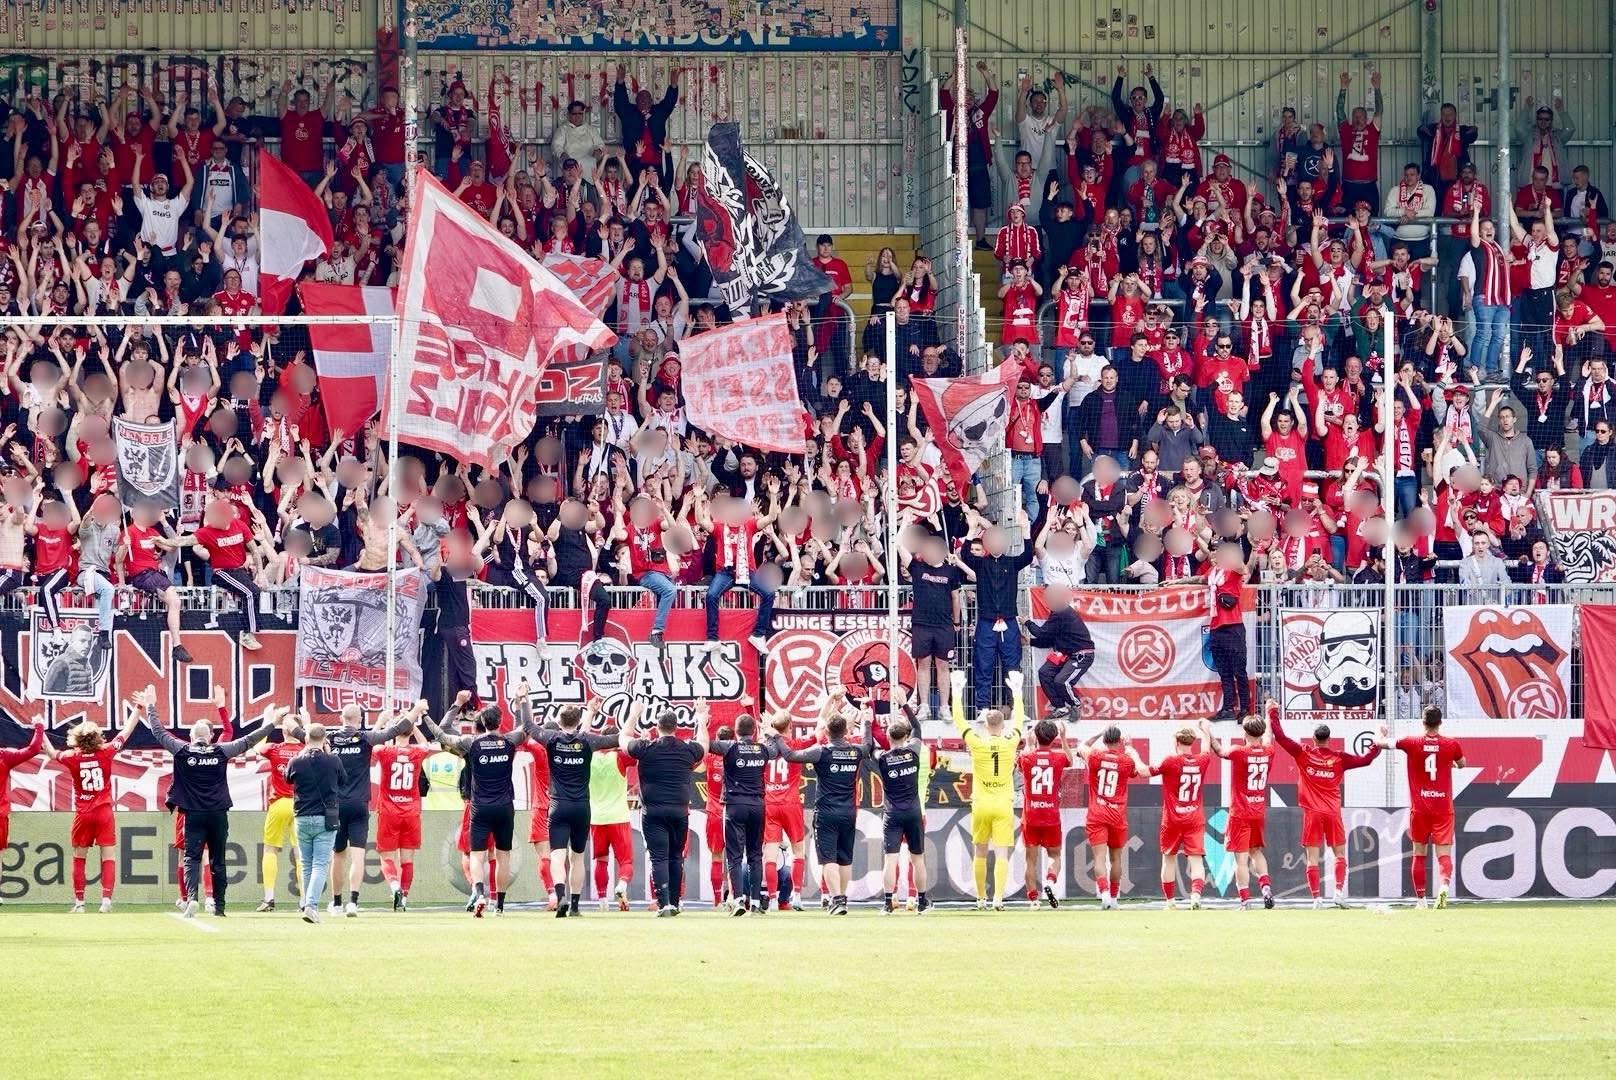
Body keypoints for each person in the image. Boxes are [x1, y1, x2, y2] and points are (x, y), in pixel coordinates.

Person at [137, 685, 271, 917]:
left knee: (190, 856)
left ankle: (191, 898)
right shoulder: (220, 751)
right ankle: (217, 905)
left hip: (191, 812)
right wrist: (268, 722)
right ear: (209, 737)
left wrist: (151, 705)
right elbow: (244, 739)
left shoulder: (182, 750)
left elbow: (158, 731)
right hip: (217, 812)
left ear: (191, 737)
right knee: (216, 858)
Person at [420, 684, 533, 918]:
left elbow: (441, 733)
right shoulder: (508, 741)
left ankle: (479, 893)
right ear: (499, 722)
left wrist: (431, 714)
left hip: (479, 808)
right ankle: (499, 905)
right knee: (503, 856)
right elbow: (526, 727)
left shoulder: (471, 743)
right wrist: (522, 701)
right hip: (505, 807)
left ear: (480, 723)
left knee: (476, 854)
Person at [1270, 710, 1382, 907]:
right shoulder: (1339, 758)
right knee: (1339, 854)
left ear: (1313, 738)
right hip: (1332, 813)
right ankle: (1338, 893)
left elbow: (1280, 737)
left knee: (1312, 859)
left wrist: (1272, 711)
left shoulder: (1303, 752)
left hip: (1312, 813)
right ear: (1329, 739)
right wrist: (1378, 740)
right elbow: (1366, 759)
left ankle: (1317, 899)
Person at [526, 696, 623, 917]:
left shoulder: (552, 739)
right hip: (581, 808)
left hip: (558, 807)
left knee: (557, 855)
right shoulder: (587, 741)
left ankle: (561, 896)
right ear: (578, 722)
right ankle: (576, 905)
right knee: (577, 857)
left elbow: (529, 726)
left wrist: (523, 700)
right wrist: (632, 718)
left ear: (559, 722)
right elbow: (618, 738)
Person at [42, 707, 141, 912]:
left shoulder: (71, 756)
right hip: (104, 812)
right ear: (97, 738)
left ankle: (80, 903)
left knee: (79, 858)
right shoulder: (107, 751)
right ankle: (106, 901)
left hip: (83, 813)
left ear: (76, 738)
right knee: (108, 857)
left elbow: (51, 753)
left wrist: (39, 729)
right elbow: (126, 731)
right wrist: (138, 709)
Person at [772, 702, 868, 915]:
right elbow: (868, 745)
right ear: (846, 730)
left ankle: (837, 899)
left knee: (828, 859)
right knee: (845, 858)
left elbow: (790, 756)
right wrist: (867, 721)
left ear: (827, 732)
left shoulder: (821, 751)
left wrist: (777, 737)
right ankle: (842, 900)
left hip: (826, 813)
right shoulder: (855, 751)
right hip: (849, 812)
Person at [322, 703, 417, 917]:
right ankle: (353, 903)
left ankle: (336, 904)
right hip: (359, 804)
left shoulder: (330, 739)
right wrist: (416, 710)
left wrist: (304, 720)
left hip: (335, 805)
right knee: (358, 855)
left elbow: (306, 735)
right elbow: (396, 729)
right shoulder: (365, 739)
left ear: (341, 718)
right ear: (360, 720)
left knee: (338, 855)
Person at [622, 704, 709, 917]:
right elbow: (705, 745)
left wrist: (634, 714)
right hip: (680, 812)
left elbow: (623, 738)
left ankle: (665, 904)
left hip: (653, 813)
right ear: (676, 727)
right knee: (676, 857)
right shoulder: (687, 749)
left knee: (659, 858)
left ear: (657, 726)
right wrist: (700, 718)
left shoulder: (646, 748)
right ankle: (675, 902)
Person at [949, 670, 1024, 910]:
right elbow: (1019, 722)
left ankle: (981, 899)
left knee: (979, 852)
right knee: (1001, 854)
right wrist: (1017, 693)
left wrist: (957, 694)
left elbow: (959, 722)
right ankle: (998, 899)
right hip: (1003, 805)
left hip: (981, 804)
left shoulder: (977, 743)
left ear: (985, 725)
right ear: (1002, 725)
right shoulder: (1010, 741)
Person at [1386, 706, 1466, 908]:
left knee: (1419, 853)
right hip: (1443, 807)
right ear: (1440, 722)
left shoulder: (1411, 742)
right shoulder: (1451, 744)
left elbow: (1381, 743)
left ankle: (1421, 900)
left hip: (1420, 808)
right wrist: (1451, 763)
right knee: (1444, 854)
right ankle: (1444, 887)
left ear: (1423, 722)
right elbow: (1462, 763)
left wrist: (1380, 733)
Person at [1201, 705, 1276, 910]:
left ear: (1245, 732)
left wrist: (1207, 731)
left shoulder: (1238, 751)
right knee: (1256, 852)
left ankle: (1245, 900)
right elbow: (1269, 736)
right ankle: (1266, 888)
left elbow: (1219, 751)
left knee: (1240, 859)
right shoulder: (1269, 751)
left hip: (1240, 812)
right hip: (1258, 811)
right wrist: (1269, 713)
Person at [710, 707, 783, 916]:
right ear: (754, 731)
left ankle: (739, 900)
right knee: (755, 855)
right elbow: (777, 749)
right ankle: (756, 902)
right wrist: (770, 731)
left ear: (735, 731)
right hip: (758, 806)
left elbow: (706, 746)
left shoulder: (729, 747)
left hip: (734, 806)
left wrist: (702, 722)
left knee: (734, 856)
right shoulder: (763, 750)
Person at [899, 531, 972, 721]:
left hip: (944, 626)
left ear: (941, 551)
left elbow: (955, 598)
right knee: (923, 665)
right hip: (921, 624)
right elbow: (898, 544)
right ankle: (924, 706)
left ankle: (944, 707)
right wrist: (905, 521)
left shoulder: (951, 571)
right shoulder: (917, 567)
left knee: (943, 665)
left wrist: (957, 622)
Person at [866, 709, 932, 914]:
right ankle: (922, 902)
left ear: (888, 737)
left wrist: (867, 723)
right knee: (918, 859)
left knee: (890, 859)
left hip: (892, 813)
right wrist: (905, 705)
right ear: (906, 737)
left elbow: (868, 748)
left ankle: (888, 903)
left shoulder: (883, 758)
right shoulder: (914, 751)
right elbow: (917, 727)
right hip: (914, 812)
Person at [1078, 726, 1149, 909]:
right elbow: (1137, 771)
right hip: (1117, 815)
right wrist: (1129, 746)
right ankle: (1115, 899)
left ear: (1104, 740)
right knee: (1116, 859)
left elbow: (1082, 746)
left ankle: (1104, 895)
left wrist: (1097, 733)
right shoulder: (1126, 761)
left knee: (1099, 858)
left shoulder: (1094, 756)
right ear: (1119, 741)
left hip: (1097, 814)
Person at [284, 722, 347, 925]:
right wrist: (327, 753)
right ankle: (311, 905)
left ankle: (307, 903)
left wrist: (304, 751)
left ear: (306, 739)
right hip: (325, 818)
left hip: (302, 817)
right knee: (320, 864)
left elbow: (287, 778)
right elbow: (343, 780)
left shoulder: (296, 761)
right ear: (325, 739)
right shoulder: (333, 760)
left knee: (306, 864)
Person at [1147, 727, 1215, 909]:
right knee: (1196, 861)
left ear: (1176, 742)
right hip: (1194, 818)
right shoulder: (1202, 760)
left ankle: (1170, 902)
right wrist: (1205, 730)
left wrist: (1132, 753)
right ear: (1192, 742)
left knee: (1168, 859)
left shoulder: (1170, 761)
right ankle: (1195, 897)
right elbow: (1207, 748)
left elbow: (1145, 772)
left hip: (1172, 819)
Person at [373, 722, 436, 911]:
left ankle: (394, 887)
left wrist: (384, 725)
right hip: (411, 812)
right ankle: (404, 898)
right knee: (407, 860)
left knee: (387, 857)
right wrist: (414, 726)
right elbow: (425, 744)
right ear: (410, 733)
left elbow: (373, 742)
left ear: (394, 732)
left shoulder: (386, 751)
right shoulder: (416, 752)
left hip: (388, 811)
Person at [762, 710, 817, 911]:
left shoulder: (764, 748)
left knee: (770, 854)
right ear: (791, 726)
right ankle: (797, 897)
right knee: (798, 851)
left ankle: (773, 899)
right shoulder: (796, 745)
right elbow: (819, 733)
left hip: (770, 804)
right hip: (791, 804)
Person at [1018, 718, 1074, 910]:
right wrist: (1064, 738)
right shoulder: (1058, 758)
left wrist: (1028, 743)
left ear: (1036, 736)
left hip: (1031, 816)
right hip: (1051, 816)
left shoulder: (1027, 757)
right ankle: (1050, 881)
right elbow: (1070, 760)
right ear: (1054, 737)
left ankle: (1033, 900)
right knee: (1055, 856)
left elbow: (1022, 761)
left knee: (1030, 860)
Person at [254, 706, 305, 913]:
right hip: (301, 805)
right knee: (301, 853)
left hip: (279, 804)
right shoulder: (306, 749)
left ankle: (269, 898)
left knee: (270, 849)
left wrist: (268, 720)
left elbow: (256, 747)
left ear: (283, 730)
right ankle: (304, 900)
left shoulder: (274, 748)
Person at [1024, 583, 1095, 719]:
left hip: (1082, 655)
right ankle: (1060, 707)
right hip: (1067, 655)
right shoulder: (1058, 613)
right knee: (1044, 673)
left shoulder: (1062, 613)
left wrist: (1027, 622)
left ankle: (1075, 706)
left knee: (1062, 681)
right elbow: (1049, 640)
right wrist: (1029, 642)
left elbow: (1041, 633)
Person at [588, 740, 635, 912]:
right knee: (626, 861)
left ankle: (602, 901)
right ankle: (622, 885)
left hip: (597, 818)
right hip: (619, 817)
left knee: (601, 861)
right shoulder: (620, 757)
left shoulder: (589, 757)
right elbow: (636, 752)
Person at [0, 716, 45, 885]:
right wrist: (39, 726)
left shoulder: (4, 755)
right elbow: (33, 749)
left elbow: (33, 750)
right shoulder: (4, 755)